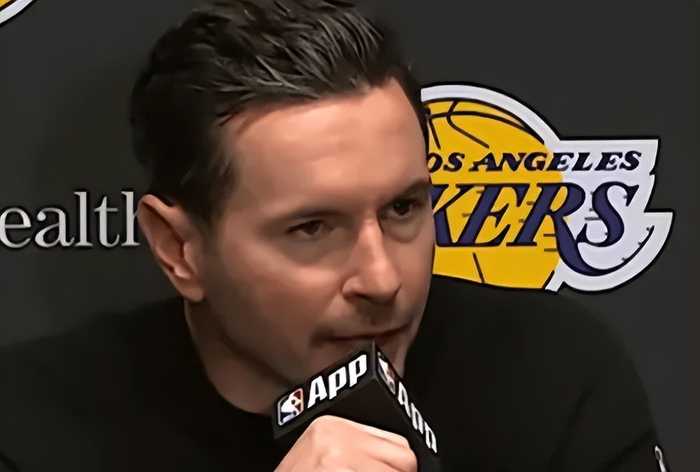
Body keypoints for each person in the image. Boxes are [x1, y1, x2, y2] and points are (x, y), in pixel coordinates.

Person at [0, 1, 662, 470]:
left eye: (403, 208)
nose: (383, 279)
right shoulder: (33, 428)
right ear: (180, 250)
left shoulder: (549, 377)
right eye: (312, 228)